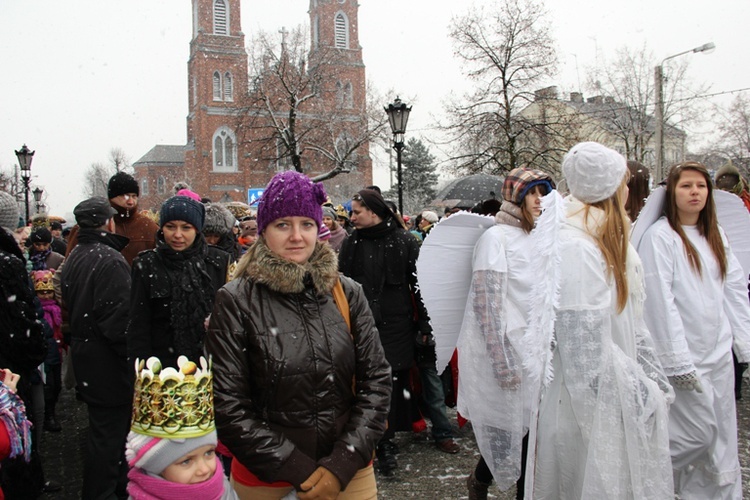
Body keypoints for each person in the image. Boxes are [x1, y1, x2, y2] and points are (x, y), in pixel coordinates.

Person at [206, 171, 391, 499]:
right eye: (282, 225)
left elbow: (376, 382)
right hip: (268, 478)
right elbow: (229, 405)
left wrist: (342, 462)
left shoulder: (347, 293)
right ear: (264, 231)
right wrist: (297, 469)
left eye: (306, 224)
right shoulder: (235, 300)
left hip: (350, 472)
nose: (296, 236)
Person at [533, 142, 674, 499]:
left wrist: (648, 378)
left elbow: (631, 325)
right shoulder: (577, 247)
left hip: (608, 402)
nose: (629, 190)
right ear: (611, 189)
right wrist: (638, 394)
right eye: (624, 182)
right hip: (585, 413)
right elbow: (585, 355)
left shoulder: (602, 239)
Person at [638, 161, 750, 499]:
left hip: (718, 357)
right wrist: (677, 362)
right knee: (694, 435)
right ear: (672, 192)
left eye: (700, 186)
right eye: (686, 185)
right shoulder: (661, 237)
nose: (695, 192)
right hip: (685, 361)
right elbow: (659, 301)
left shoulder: (714, 235)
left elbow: (734, 290)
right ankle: (640, 479)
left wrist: (744, 346)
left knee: (721, 444)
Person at [460, 168, 555, 500]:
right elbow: (487, 305)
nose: (540, 200)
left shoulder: (543, 236)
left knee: (531, 434)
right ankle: (487, 483)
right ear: (517, 197)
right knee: (515, 433)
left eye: (545, 192)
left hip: (541, 351)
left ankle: (485, 480)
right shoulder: (496, 238)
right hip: (512, 350)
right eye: (533, 193)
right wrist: (501, 362)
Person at [339, 188, 439, 475]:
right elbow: (342, 287)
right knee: (366, 382)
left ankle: (387, 440)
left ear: (374, 212)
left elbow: (420, 288)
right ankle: (376, 440)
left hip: (396, 325)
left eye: (357, 211)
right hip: (362, 325)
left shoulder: (405, 241)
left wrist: (425, 325)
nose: (352, 216)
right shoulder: (351, 243)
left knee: (393, 385)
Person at [60, 196, 133, 499]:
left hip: (89, 358)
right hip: (106, 365)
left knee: (103, 435)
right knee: (109, 440)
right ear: (108, 222)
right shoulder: (109, 259)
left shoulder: (77, 254)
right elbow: (117, 324)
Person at [128, 195, 230, 369]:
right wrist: (143, 372)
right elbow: (139, 325)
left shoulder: (218, 261)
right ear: (161, 228)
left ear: (197, 229)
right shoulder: (146, 265)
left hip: (209, 365)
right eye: (170, 227)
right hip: (162, 369)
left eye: (186, 228)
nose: (177, 235)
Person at [125, 356, 237, 499]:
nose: (204, 469)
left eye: (209, 453)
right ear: (155, 467)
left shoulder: (223, 487)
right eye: (186, 461)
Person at [0, 191, 50, 498]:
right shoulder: (8, 263)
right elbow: (22, 326)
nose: (25, 233)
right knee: (16, 443)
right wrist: (35, 352)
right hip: (10, 374)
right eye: (20, 226)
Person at [66, 171, 159, 265]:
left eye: (134, 196)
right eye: (124, 196)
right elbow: (72, 266)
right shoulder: (88, 228)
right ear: (112, 198)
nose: (131, 201)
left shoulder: (149, 227)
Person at [32, 270, 65, 433]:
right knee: (49, 386)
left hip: (56, 351)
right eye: (41, 292)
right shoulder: (37, 311)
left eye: (48, 292)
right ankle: (48, 415)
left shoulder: (57, 309)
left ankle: (50, 413)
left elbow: (60, 330)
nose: (45, 295)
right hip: (45, 354)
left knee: (57, 385)